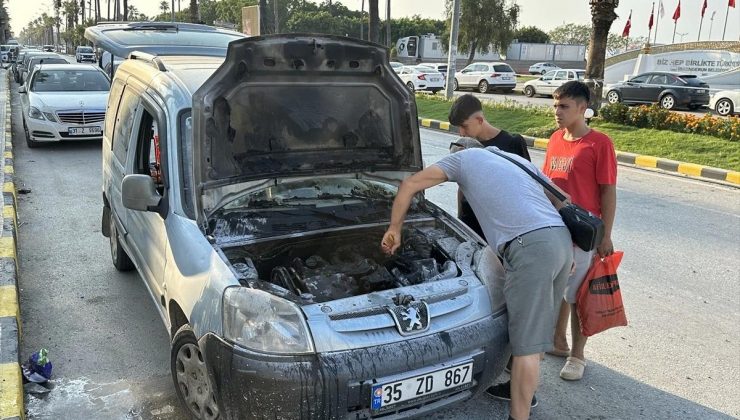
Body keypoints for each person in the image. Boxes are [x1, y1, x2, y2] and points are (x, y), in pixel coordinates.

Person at [380, 139, 573, 420]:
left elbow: (409, 185)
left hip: (529, 248)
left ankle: (518, 416)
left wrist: (395, 229)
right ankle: (522, 391)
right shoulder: (513, 160)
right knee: (536, 333)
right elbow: (563, 199)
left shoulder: (462, 159)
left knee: (526, 347)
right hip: (560, 241)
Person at [542, 81, 617, 381]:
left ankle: (577, 355)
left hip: (584, 233)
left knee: (578, 296)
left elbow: (608, 192)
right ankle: (558, 341)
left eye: (564, 106)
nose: (557, 112)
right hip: (554, 228)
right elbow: (546, 184)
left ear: (583, 109)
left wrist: (606, 236)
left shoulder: (599, 144)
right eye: (555, 105)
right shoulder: (554, 140)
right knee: (559, 288)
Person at [448, 94, 531, 240]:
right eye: (458, 127)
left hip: (501, 227)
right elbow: (462, 187)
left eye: (464, 126)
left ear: (479, 120)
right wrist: (460, 220)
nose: (461, 132)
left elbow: (527, 186)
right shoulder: (463, 146)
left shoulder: (512, 143)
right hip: (471, 223)